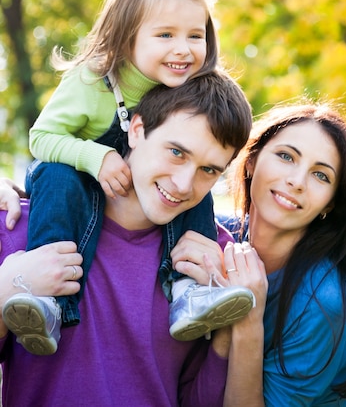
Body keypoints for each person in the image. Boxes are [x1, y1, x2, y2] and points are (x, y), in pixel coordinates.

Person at [3, 0, 254, 355]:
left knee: (192, 187)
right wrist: (95, 157)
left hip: (141, 188)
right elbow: (42, 137)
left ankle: (190, 289)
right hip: (73, 178)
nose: (183, 50)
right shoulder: (92, 81)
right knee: (57, 175)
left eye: (195, 35)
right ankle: (49, 300)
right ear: (126, 38)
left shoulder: (182, 89)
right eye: (166, 35)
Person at [0, 70, 257, 406]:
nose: (183, 184)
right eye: (177, 152)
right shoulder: (20, 229)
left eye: (208, 170)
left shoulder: (208, 262)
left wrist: (229, 332)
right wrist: (5, 288)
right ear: (137, 130)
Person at [216, 102, 346, 406]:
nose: (297, 182)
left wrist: (248, 321)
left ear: (330, 204)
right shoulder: (215, 235)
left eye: (321, 176)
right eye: (286, 156)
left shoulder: (322, 305)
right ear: (251, 161)